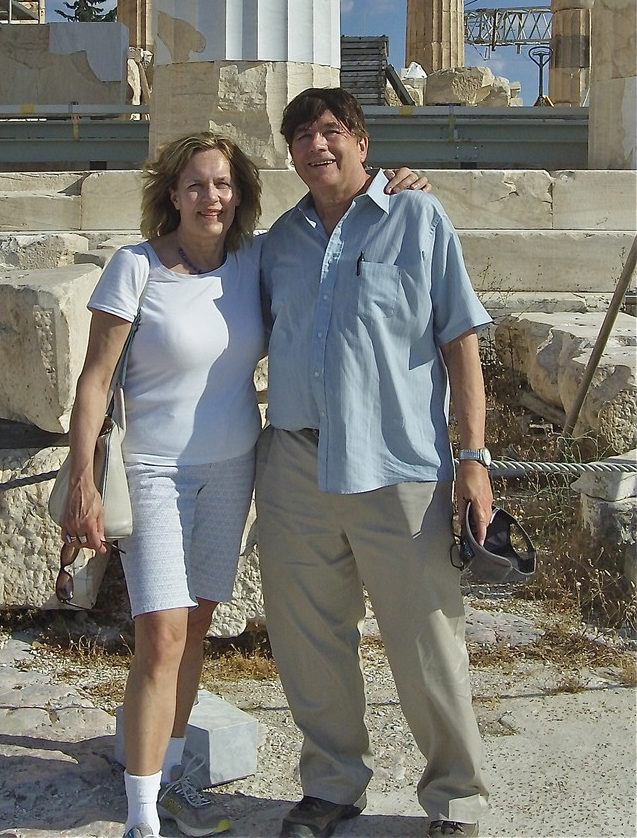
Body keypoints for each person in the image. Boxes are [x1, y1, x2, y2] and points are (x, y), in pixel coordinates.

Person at [58, 128, 428, 838]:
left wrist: (390, 186)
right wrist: (83, 482)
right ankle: (140, 819)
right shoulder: (135, 268)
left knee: (195, 630)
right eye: (196, 184)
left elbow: (333, 226)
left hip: (232, 470)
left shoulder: (254, 259)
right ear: (172, 194)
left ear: (241, 194)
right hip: (155, 473)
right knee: (161, 638)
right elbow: (94, 382)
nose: (211, 197)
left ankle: (166, 781)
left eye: (224, 184)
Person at [256, 88, 493, 838]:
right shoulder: (279, 241)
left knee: (428, 643)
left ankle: (456, 799)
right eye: (300, 136)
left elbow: (460, 340)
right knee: (310, 643)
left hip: (399, 468)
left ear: (362, 142)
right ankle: (332, 785)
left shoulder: (418, 216)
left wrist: (474, 458)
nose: (315, 146)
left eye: (330, 131)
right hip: (296, 463)